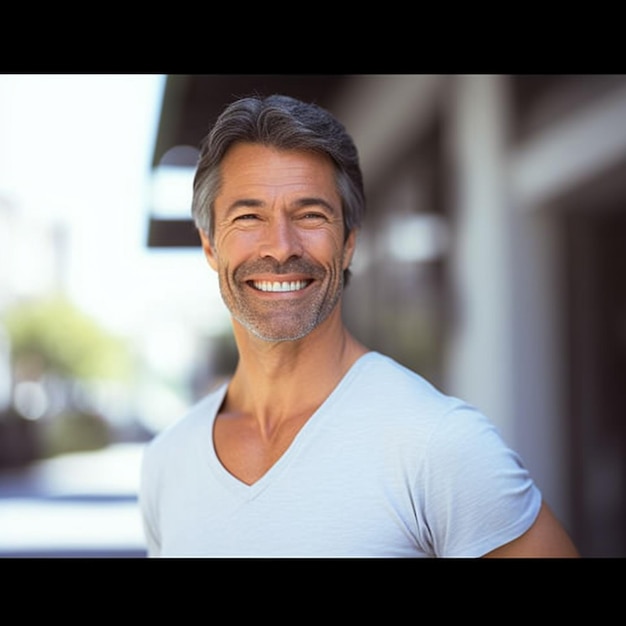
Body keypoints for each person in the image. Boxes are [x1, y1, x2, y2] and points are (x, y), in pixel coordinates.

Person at [139, 93, 579, 558]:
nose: (281, 246)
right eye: (249, 217)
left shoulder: (440, 444)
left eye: (310, 215)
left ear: (348, 244)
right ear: (210, 246)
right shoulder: (168, 460)